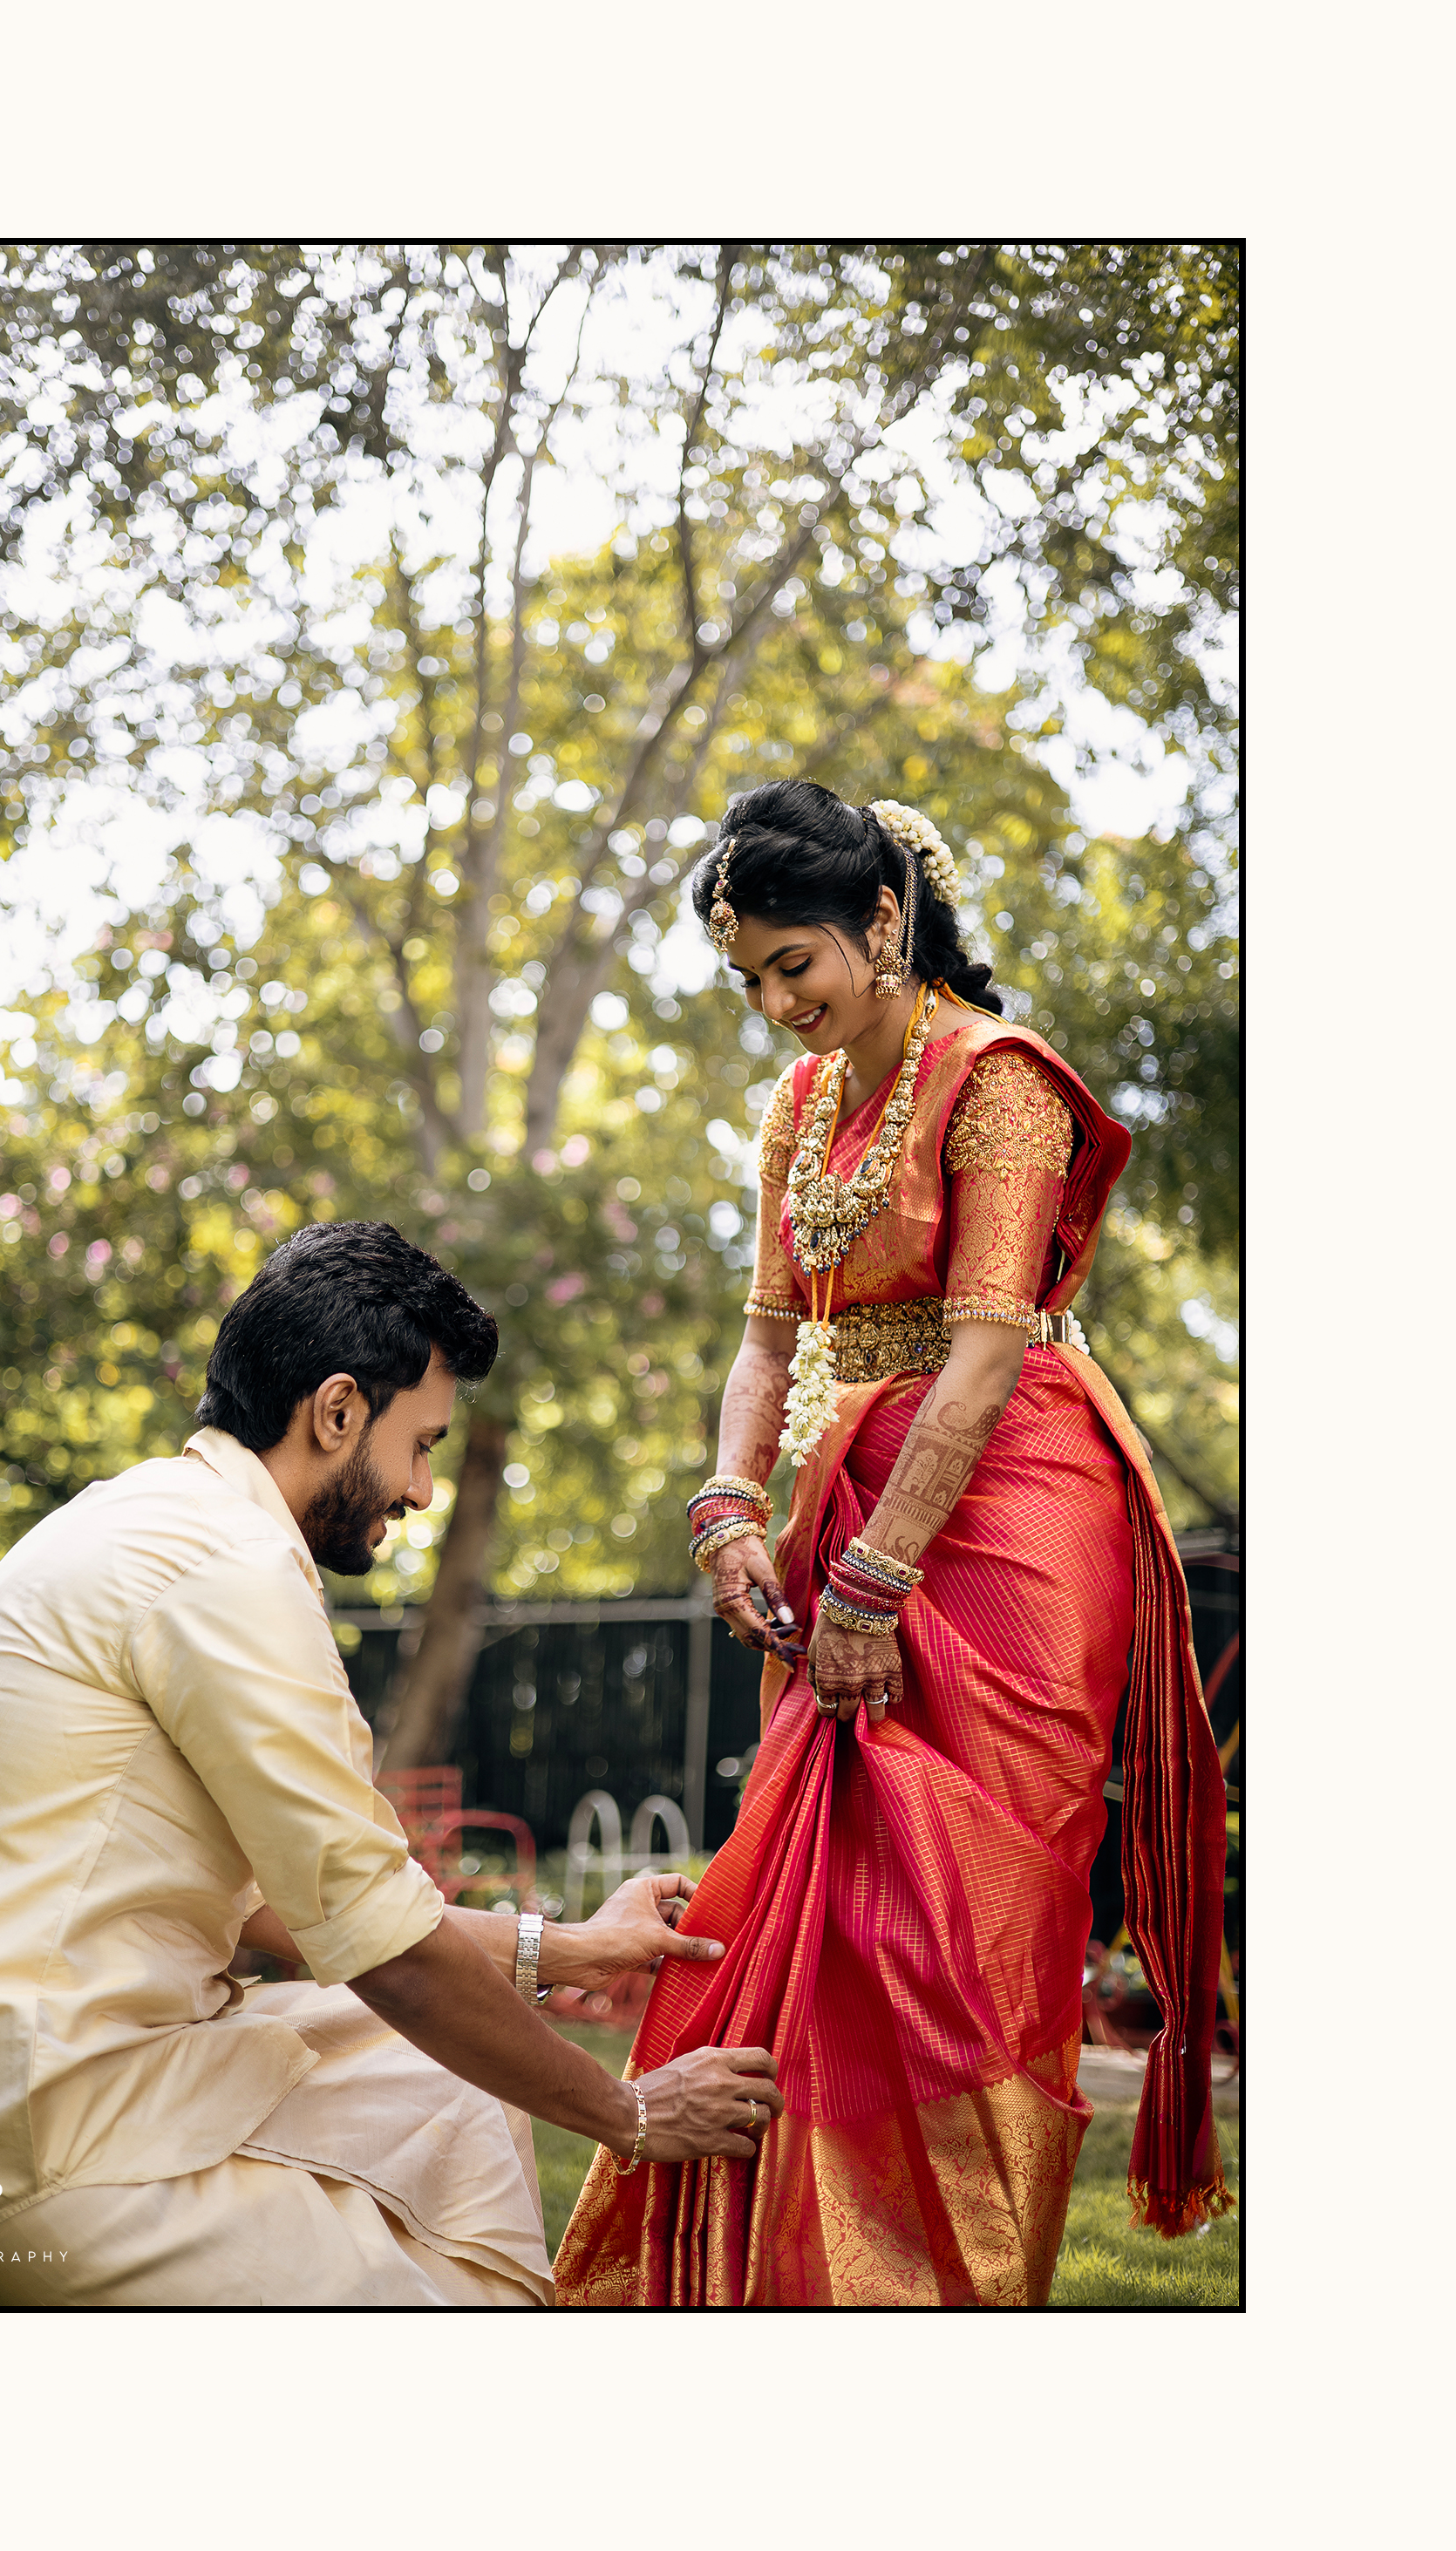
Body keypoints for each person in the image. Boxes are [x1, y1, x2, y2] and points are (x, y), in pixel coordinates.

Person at [555, 783, 1228, 2308]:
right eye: (745, 979)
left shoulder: (998, 1082)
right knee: (826, 1912)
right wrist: (727, 1505)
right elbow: (762, 1337)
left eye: (790, 964)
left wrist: (871, 1582)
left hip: (1009, 1515)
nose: (772, 1005)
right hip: (852, 1494)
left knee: (964, 1930)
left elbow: (984, 1356)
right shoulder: (798, 1109)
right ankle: (791, 2279)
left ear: (878, 920)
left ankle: (952, 2292)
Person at [0, 1221, 780, 2306]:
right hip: (17, 2138)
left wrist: (571, 1948)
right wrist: (629, 2113)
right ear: (337, 1410)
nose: (422, 1489)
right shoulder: (227, 1568)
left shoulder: (160, 1516)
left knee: (451, 2087)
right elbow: (387, 1955)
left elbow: (290, 1911)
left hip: (32, 2071)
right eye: (420, 1444)